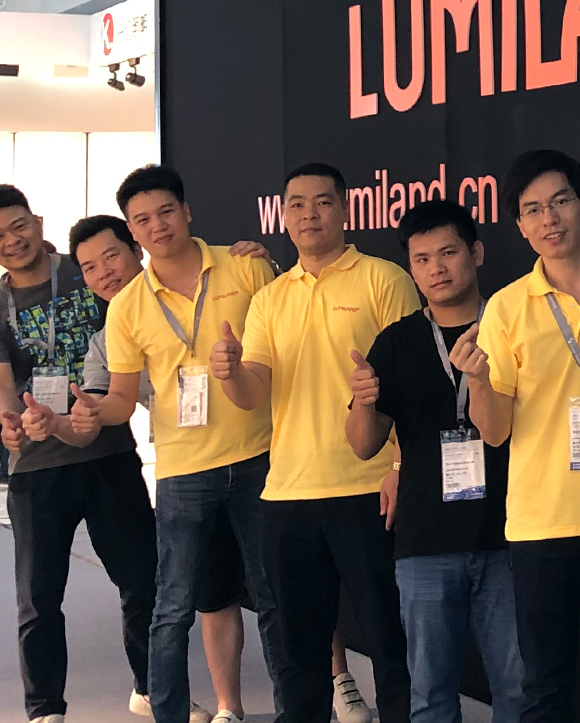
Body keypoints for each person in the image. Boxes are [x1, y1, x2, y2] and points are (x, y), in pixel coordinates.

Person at [217, 163, 419, 723]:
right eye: (298, 204)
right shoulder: (270, 298)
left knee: (390, 641)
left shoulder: (383, 279)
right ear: (284, 215)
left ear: (346, 209)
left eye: (323, 202)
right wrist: (230, 373)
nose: (310, 214)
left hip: (367, 488)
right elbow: (254, 391)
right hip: (288, 495)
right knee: (298, 653)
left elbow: (414, 382)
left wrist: (400, 466)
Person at [62, 212, 276, 723]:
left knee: (278, 593)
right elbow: (115, 401)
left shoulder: (239, 266)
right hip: (184, 470)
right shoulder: (122, 316)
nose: (104, 272)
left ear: (134, 247)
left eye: (111, 256)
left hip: (258, 455)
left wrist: (267, 260)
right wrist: (82, 416)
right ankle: (189, 711)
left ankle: (306, 702)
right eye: (90, 267)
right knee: (178, 604)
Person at [0, 184, 157, 723]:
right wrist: (12, 419)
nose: (12, 240)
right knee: (39, 597)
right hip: (38, 466)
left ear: (37, 222)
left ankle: (152, 688)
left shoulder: (84, 270)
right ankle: (45, 708)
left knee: (141, 581)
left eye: (18, 226)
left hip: (108, 451)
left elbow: (148, 288)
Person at [463, 149, 580, 723]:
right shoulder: (507, 307)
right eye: (533, 210)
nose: (550, 219)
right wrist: (478, 381)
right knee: (545, 689)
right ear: (519, 224)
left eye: (560, 201)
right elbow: (495, 433)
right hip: (544, 524)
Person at [344, 199, 525, 723]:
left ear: (477, 253)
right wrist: (364, 401)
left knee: (517, 689)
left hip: (508, 534)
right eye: (421, 260)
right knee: (430, 695)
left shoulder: (510, 327)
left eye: (448, 253)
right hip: (424, 543)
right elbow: (363, 445)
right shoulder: (397, 342)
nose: (436, 269)